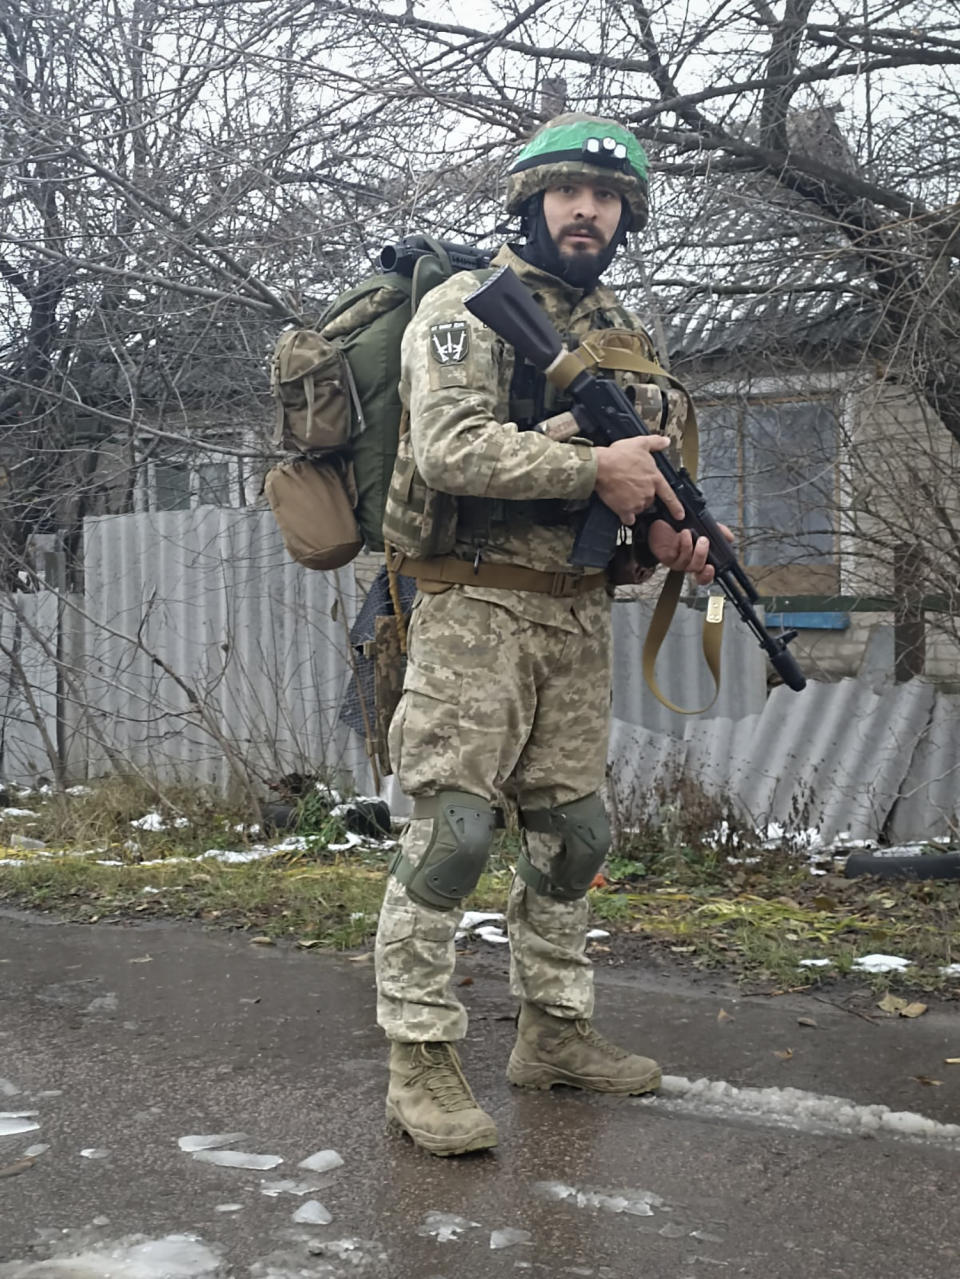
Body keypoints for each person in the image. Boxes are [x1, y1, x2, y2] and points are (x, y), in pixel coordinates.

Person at [374, 113, 722, 1158]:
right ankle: (420, 1059)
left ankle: (555, 1031)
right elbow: (446, 448)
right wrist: (589, 469)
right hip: (472, 604)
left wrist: (674, 533)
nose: (587, 210)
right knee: (453, 840)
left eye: (607, 198)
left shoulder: (625, 328)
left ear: (627, 216)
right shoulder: (466, 308)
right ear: (531, 202)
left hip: (575, 609)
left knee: (575, 837)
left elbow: (643, 471)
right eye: (568, 193)